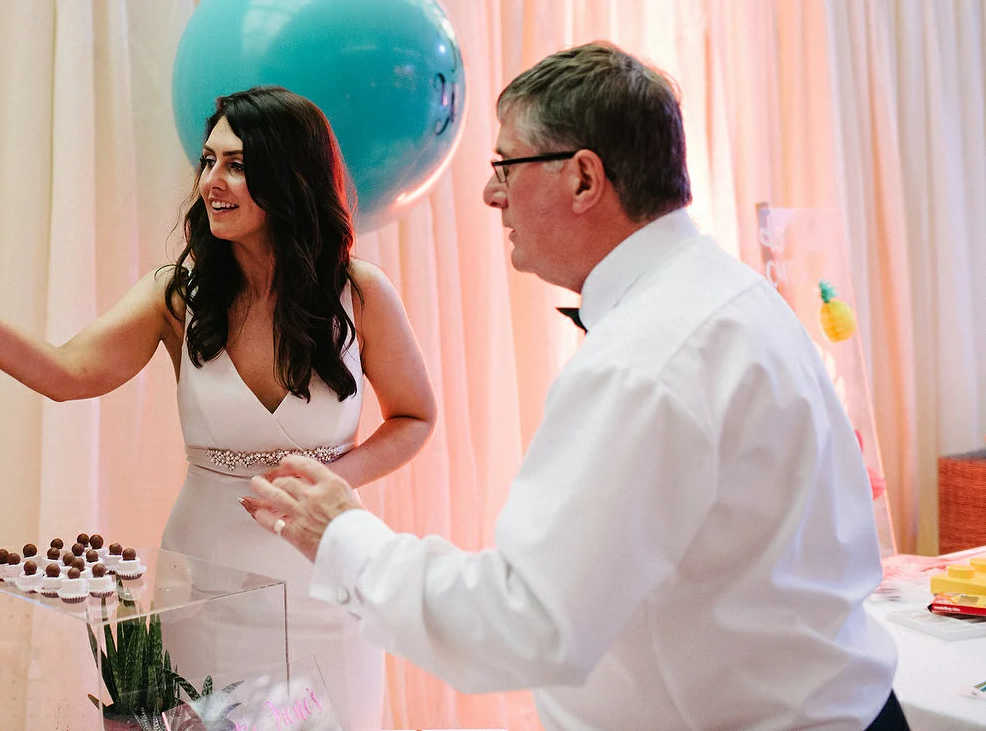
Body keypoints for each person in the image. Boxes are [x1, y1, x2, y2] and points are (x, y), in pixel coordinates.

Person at [242, 43, 904, 731]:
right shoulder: (731, 293)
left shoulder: (645, 360)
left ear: (585, 179)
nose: (490, 193)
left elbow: (527, 622)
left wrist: (343, 536)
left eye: (505, 165)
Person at [0, 85, 437, 730]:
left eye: (237, 164)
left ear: (290, 175)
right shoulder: (177, 295)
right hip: (204, 586)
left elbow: (415, 417)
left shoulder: (360, 292)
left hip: (326, 580)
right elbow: (64, 373)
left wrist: (335, 480)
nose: (213, 180)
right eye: (208, 161)